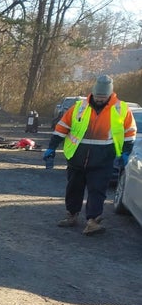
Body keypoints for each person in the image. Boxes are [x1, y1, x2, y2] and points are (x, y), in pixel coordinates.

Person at [42, 75, 137, 235]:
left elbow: (130, 133)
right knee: (73, 188)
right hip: (77, 158)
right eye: (98, 96)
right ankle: (72, 215)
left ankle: (93, 221)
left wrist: (126, 152)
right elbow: (62, 127)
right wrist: (51, 147)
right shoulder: (79, 107)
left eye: (103, 97)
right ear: (93, 93)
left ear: (110, 95)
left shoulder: (121, 109)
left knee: (97, 191)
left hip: (103, 159)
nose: (100, 99)